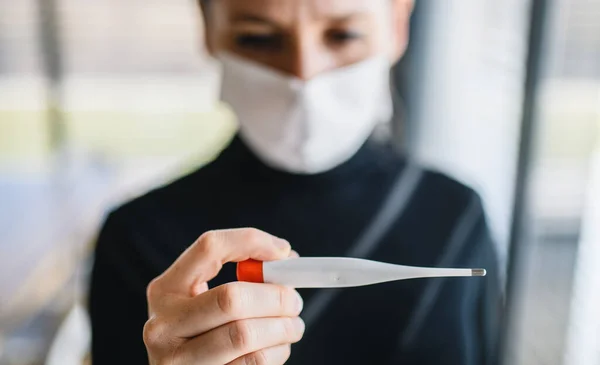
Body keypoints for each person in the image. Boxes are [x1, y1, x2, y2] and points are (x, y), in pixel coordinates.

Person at [89, 0, 502, 364]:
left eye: (343, 34)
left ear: (397, 22)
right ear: (208, 27)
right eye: (258, 38)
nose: (304, 74)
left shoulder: (456, 215)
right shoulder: (136, 237)